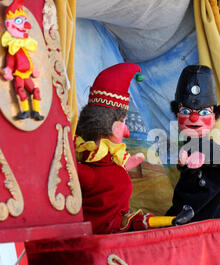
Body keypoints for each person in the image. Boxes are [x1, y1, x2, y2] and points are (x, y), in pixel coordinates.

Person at [75, 63, 193, 234]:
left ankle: (171, 220)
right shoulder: (87, 171)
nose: (127, 132)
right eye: (123, 122)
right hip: (95, 244)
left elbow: (121, 216)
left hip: (117, 234)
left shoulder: (107, 164)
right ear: (113, 126)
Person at [166, 65, 220, 222]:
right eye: (186, 112)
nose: (194, 118)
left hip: (201, 226)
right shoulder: (188, 146)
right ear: (177, 114)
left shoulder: (215, 153)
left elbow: (202, 196)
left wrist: (193, 170)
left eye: (204, 113)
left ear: (214, 117)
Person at [1, 0, 44, 121]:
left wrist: (33, 68)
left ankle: (35, 111)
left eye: (24, 21)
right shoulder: (13, 47)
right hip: (19, 75)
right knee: (20, 90)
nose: (25, 25)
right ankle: (24, 111)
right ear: (9, 24)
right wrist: (8, 70)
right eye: (19, 21)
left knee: (35, 90)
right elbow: (10, 60)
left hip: (27, 75)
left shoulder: (24, 46)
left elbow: (28, 59)